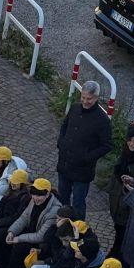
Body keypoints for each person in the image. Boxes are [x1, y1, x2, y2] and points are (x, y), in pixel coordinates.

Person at [55, 81, 112, 217]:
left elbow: (107, 145)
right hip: (65, 164)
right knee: (62, 198)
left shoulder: (102, 120)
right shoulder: (74, 108)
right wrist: (61, 143)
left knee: (78, 204)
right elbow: (65, 126)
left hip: (82, 171)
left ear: (97, 98)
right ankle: (61, 225)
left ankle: (77, 231)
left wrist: (87, 157)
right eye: (83, 97)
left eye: (89, 99)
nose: (85, 101)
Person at [0, 181, 61, 268]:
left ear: (47, 194)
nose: (36, 198)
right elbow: (24, 218)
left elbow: (41, 236)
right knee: (3, 235)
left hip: (43, 242)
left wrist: (19, 238)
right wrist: (12, 231)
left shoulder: (54, 210)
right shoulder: (33, 201)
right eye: (34, 194)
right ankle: (2, 266)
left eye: (39, 195)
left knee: (20, 248)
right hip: (32, 232)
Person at [17, 203, 76, 268]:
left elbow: (63, 257)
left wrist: (47, 261)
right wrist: (55, 227)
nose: (57, 222)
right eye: (57, 219)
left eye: (60, 220)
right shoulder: (59, 230)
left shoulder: (71, 236)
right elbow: (47, 238)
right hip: (56, 265)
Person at [107, 124, 134, 259]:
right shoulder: (126, 152)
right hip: (118, 199)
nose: (131, 143)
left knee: (123, 233)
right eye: (129, 140)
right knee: (118, 230)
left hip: (127, 202)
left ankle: (117, 255)